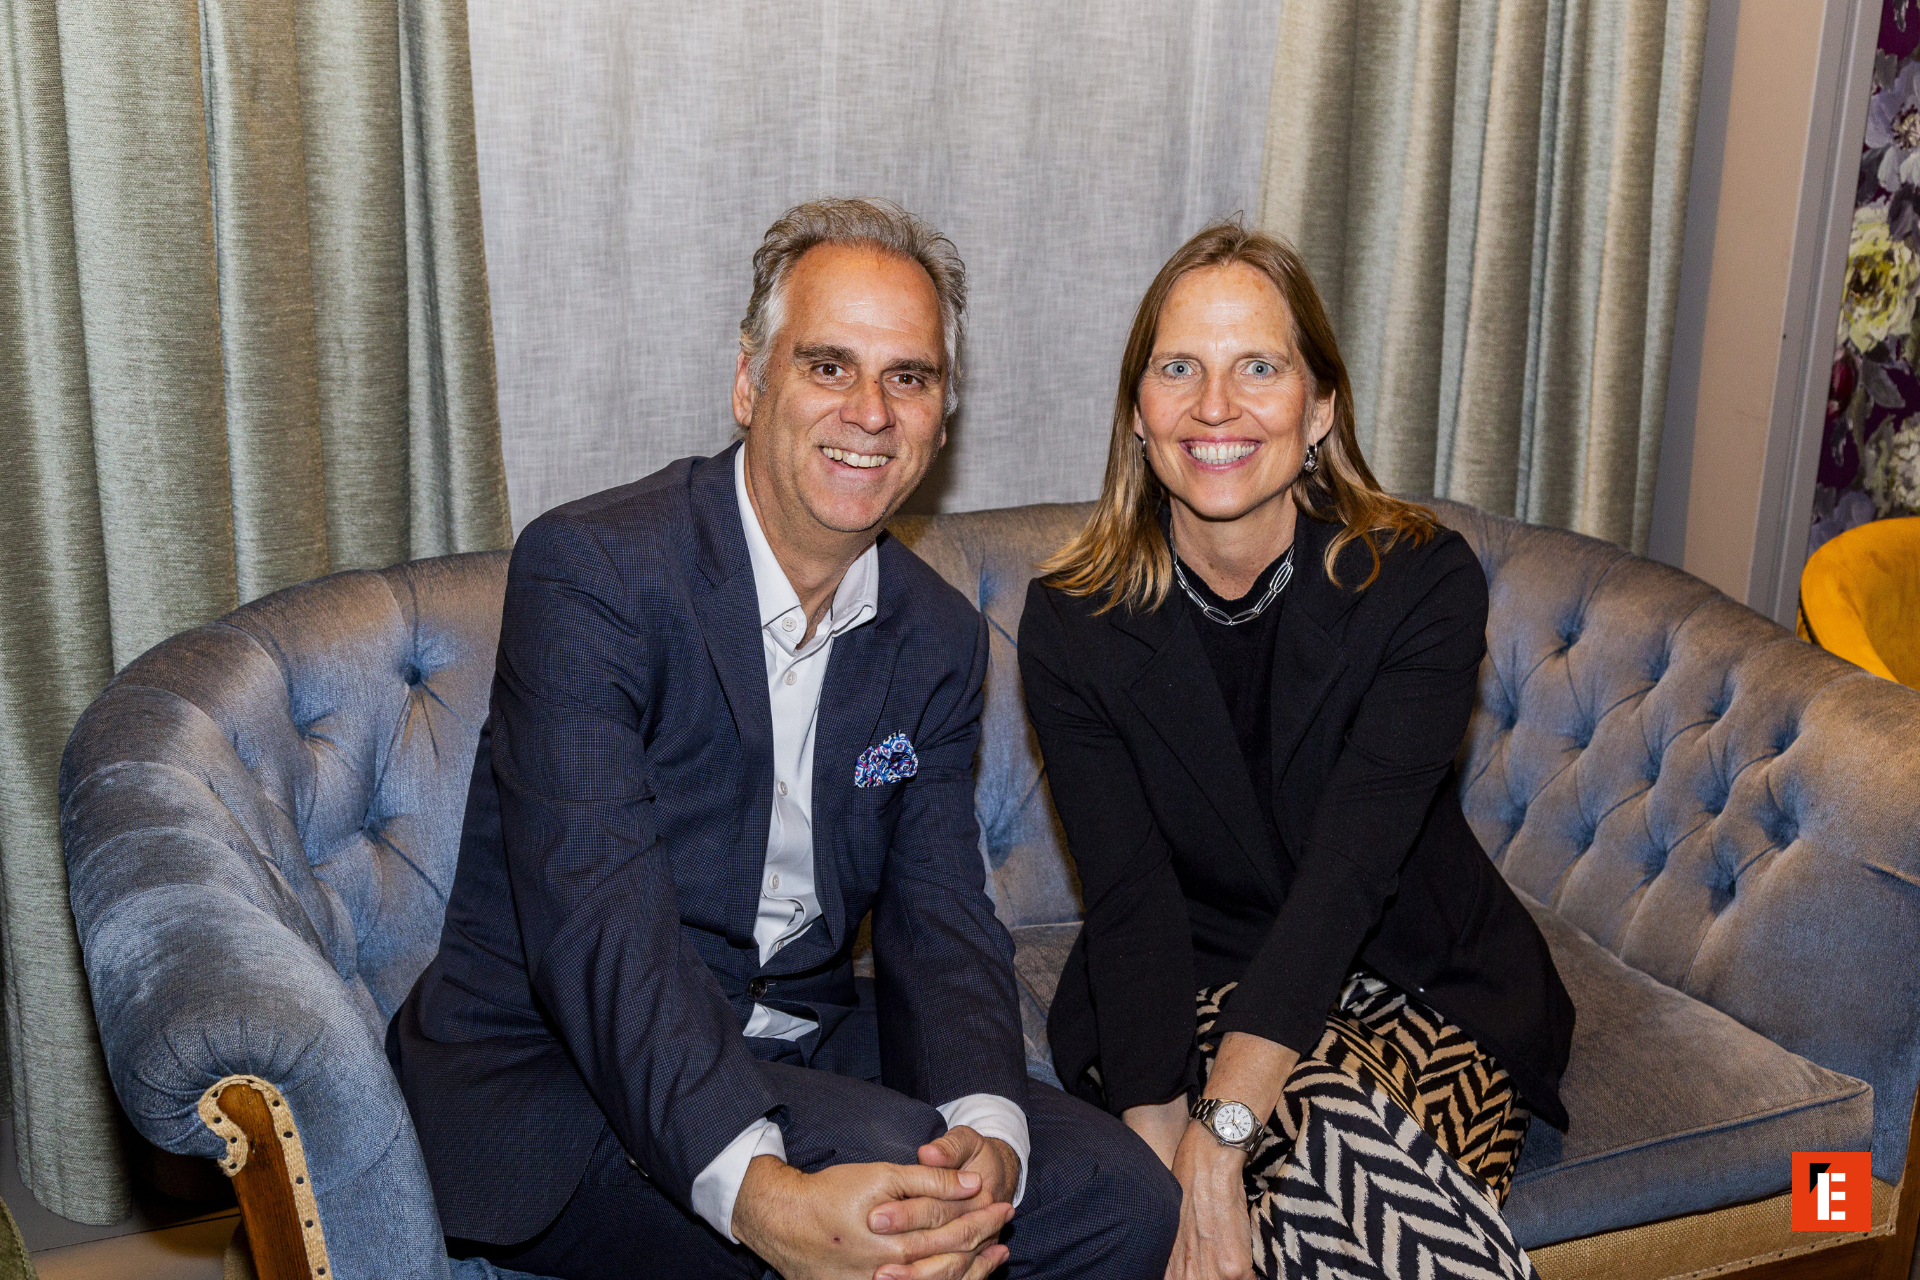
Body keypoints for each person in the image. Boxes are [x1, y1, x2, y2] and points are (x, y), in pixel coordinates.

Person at [391, 199, 1178, 1280]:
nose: (871, 411)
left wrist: (990, 1125)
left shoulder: (937, 637)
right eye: (828, 365)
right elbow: (597, 930)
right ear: (750, 382)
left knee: (1127, 1196)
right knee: (900, 1198)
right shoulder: (595, 573)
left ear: (941, 418)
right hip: (559, 1070)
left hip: (795, 1040)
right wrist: (760, 1194)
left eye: (909, 377)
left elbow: (939, 916)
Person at [1018, 222, 1576, 1279]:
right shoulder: (1074, 618)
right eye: (1178, 367)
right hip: (1190, 989)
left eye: (1258, 367)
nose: (1213, 405)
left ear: (1320, 406)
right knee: (1190, 1201)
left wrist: (1221, 1139)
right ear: (1138, 410)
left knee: (1313, 1142)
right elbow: (1131, 895)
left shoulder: (1418, 582)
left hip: (1418, 982)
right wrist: (1161, 1159)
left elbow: (1348, 877)